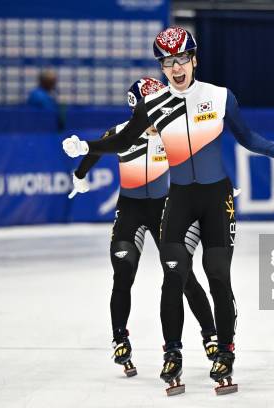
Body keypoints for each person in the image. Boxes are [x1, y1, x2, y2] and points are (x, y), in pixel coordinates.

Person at [62, 27, 274, 393]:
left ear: (195, 60)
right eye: (168, 62)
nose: (176, 68)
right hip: (179, 200)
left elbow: (248, 137)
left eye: (181, 60)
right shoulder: (153, 105)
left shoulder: (220, 97)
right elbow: (125, 139)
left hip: (215, 199)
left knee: (217, 274)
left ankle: (225, 351)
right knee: (173, 276)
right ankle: (172, 352)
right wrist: (87, 147)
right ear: (162, 66)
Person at [70, 77, 218, 378]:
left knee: (183, 276)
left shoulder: (174, 133)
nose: (155, 120)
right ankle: (120, 338)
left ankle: (210, 335)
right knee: (123, 272)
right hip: (131, 211)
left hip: (165, 211)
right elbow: (94, 153)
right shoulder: (119, 134)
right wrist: (79, 176)